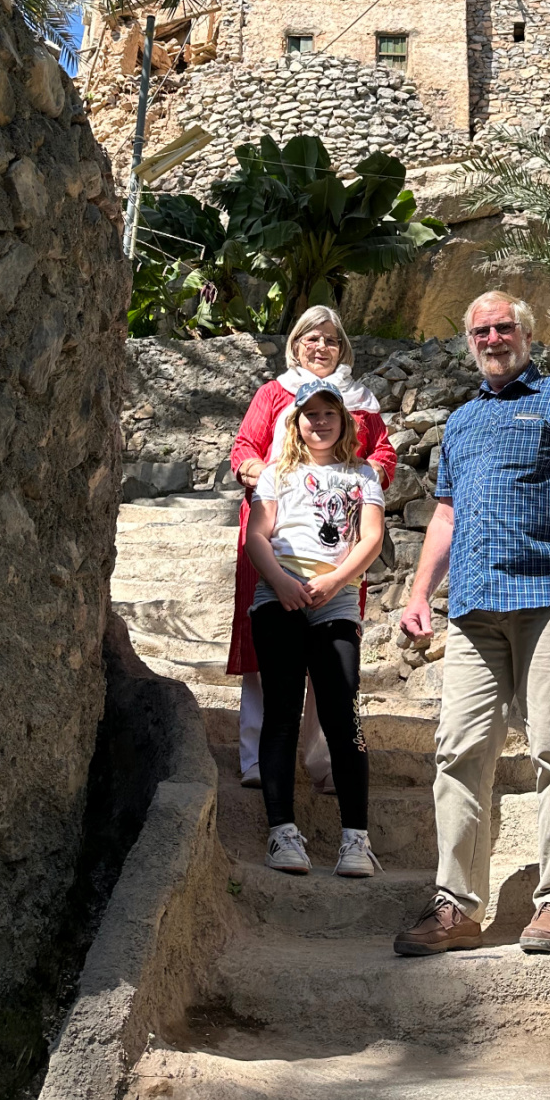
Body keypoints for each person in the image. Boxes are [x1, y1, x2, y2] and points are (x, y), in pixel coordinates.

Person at [393, 291, 550, 958]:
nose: (493, 338)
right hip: (474, 606)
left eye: (504, 328)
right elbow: (445, 515)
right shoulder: (462, 421)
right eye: (481, 331)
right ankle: (457, 906)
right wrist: (418, 594)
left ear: (527, 333)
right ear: (468, 342)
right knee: (459, 750)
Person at [228, 306, 396, 790]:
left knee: (331, 645)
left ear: (343, 348)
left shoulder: (361, 401)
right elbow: (244, 447)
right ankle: (257, 757)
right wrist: (265, 475)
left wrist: (361, 480)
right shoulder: (273, 393)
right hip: (274, 533)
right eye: (311, 339)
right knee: (266, 645)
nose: (320, 348)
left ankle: (324, 761)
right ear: (295, 345)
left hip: (339, 538)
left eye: (330, 340)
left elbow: (382, 452)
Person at [245, 381, 385, 876]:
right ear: (296, 422)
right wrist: (281, 583)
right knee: (282, 714)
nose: (319, 421)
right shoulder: (277, 475)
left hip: (336, 598)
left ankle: (355, 839)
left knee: (342, 714)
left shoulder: (362, 474)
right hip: (278, 594)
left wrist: (336, 580)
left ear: (344, 421)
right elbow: (256, 536)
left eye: (329, 413)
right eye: (310, 414)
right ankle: (282, 834)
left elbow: (371, 537)